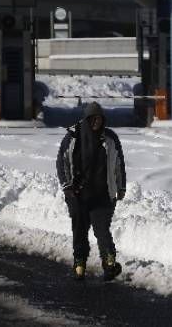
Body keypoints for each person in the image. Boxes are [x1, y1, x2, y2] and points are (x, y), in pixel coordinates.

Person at [56, 102, 126, 281]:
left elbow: (119, 164)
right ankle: (79, 264)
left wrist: (121, 186)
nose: (96, 122)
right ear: (86, 119)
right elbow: (61, 163)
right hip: (77, 195)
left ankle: (109, 263)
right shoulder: (73, 137)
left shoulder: (109, 138)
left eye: (99, 118)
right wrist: (67, 186)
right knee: (80, 230)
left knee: (102, 229)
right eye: (93, 119)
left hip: (103, 195)